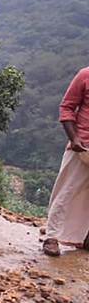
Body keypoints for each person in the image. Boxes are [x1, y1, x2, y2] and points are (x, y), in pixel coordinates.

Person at [43, 66, 89, 256]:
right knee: (67, 190)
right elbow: (67, 107)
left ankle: (84, 238)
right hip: (83, 145)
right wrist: (74, 138)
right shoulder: (85, 75)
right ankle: (52, 237)